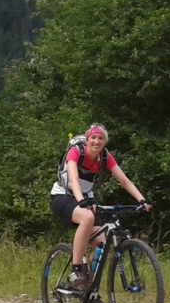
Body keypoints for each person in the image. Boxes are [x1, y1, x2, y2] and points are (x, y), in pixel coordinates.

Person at [49, 123, 150, 291]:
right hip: (63, 196)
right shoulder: (76, 152)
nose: (96, 141)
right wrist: (81, 200)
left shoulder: (104, 157)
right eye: (93, 138)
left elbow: (123, 180)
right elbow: (73, 179)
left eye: (101, 138)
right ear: (87, 139)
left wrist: (142, 199)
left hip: (86, 199)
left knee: (101, 242)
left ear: (105, 141)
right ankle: (75, 271)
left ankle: (90, 290)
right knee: (87, 217)